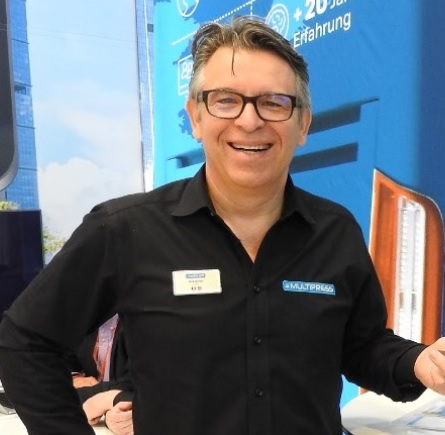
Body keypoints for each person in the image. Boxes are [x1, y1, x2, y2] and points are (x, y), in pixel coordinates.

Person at [1, 15, 445, 435]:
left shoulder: (335, 231)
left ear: (303, 123)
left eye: (274, 102)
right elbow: (25, 340)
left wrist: (419, 362)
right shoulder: (125, 230)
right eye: (227, 100)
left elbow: (361, 346)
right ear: (196, 117)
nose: (250, 121)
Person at [66, 315, 133, 435]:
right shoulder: (83, 315)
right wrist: (74, 377)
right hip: (99, 421)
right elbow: (61, 358)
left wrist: (105, 400)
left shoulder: (142, 321)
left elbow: (136, 384)